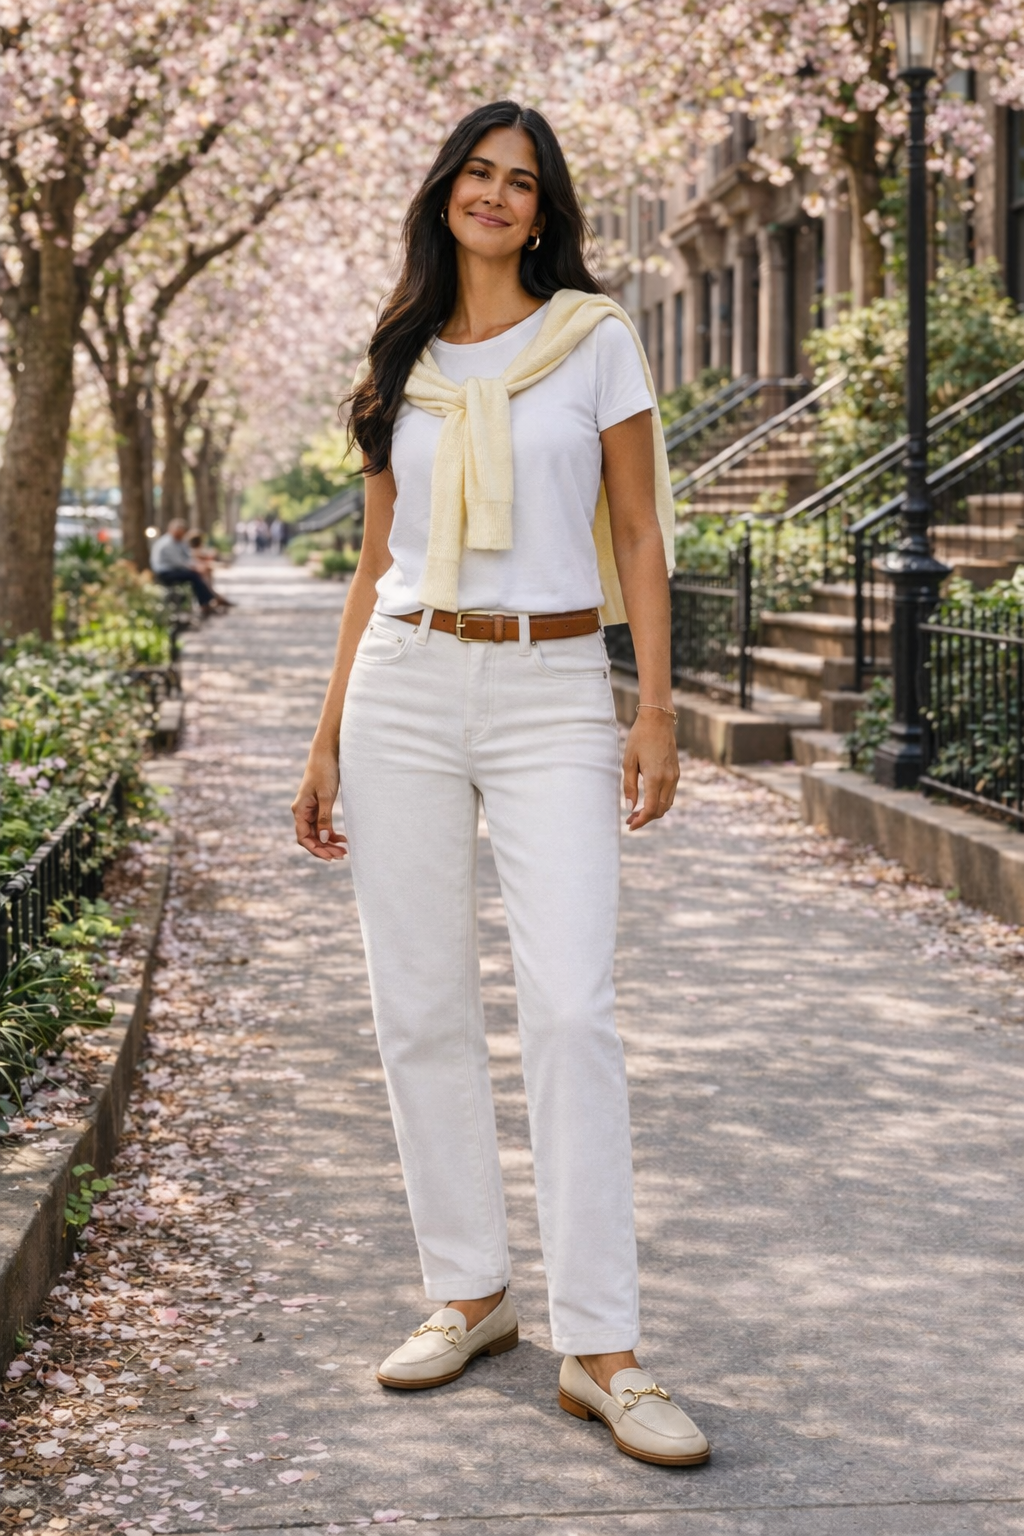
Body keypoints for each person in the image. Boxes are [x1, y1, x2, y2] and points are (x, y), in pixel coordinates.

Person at [291, 100, 710, 1469]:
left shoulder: (597, 339)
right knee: (417, 1000)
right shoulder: (401, 354)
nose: (495, 195)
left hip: (549, 688)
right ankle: (469, 1290)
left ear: (546, 210)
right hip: (406, 681)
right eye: (477, 172)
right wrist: (326, 732)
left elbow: (641, 532)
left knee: (573, 1007)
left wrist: (654, 704)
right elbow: (374, 560)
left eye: (520, 182)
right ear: (445, 192)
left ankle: (604, 1349)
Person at [150, 519, 227, 614]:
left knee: (198, 575)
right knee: (194, 576)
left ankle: (209, 601)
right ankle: (208, 601)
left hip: (173, 570)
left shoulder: (177, 541)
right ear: (172, 530)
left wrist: (197, 565)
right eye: (179, 534)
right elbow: (179, 563)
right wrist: (195, 567)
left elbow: (187, 557)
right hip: (165, 573)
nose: (180, 536)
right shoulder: (167, 544)